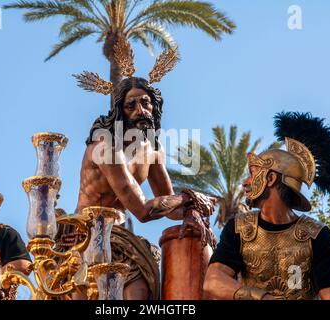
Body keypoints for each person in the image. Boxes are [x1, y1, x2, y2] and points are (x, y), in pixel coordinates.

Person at [56, 39, 216, 300]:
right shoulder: (105, 146)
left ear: (155, 106)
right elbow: (142, 210)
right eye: (131, 105)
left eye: (146, 103)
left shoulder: (152, 150)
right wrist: (188, 197)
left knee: (141, 291)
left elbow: (171, 207)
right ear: (119, 111)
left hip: (122, 239)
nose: (141, 110)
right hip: (86, 237)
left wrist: (193, 209)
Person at [203, 112, 330, 300]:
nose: (245, 182)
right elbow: (213, 281)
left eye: (253, 174)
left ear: (270, 178)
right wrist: (262, 298)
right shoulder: (238, 229)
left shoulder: (318, 235)